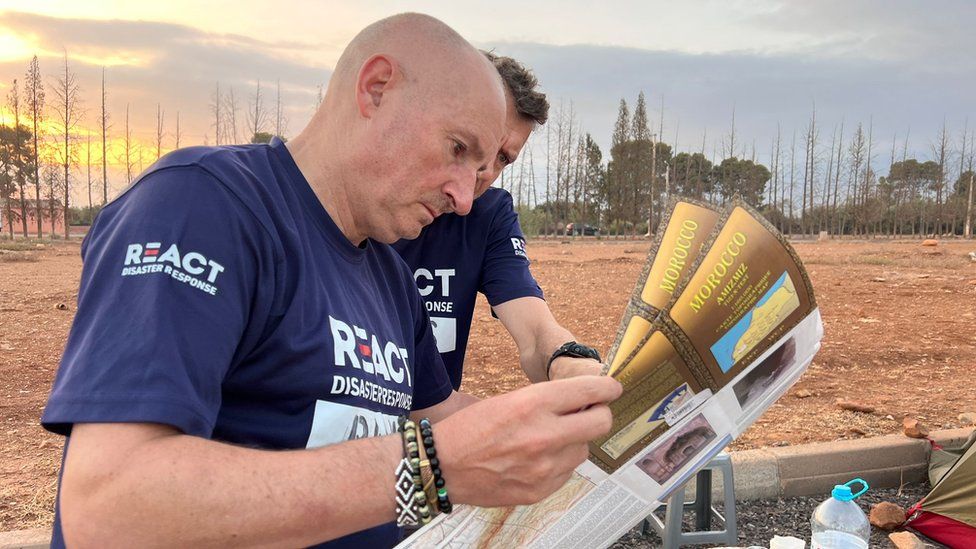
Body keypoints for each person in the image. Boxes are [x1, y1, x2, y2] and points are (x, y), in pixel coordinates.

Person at [40, 13, 621, 548]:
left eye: (483, 165)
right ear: (376, 88)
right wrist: (432, 469)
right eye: (457, 148)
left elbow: (439, 421)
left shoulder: (389, 277)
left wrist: (563, 427)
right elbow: (108, 510)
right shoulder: (204, 205)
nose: (466, 197)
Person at [393, 53, 603, 390]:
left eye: (503, 158)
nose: (486, 170)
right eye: (469, 145)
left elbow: (534, 330)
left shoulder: (488, 215)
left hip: (434, 432)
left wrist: (568, 363)